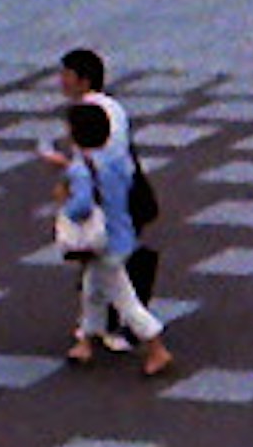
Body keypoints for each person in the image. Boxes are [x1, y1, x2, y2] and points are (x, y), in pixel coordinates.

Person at [54, 97, 175, 376]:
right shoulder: (117, 159)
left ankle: (157, 348)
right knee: (92, 290)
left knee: (124, 299)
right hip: (121, 234)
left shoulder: (82, 168)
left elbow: (82, 205)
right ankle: (85, 341)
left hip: (100, 242)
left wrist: (65, 204)